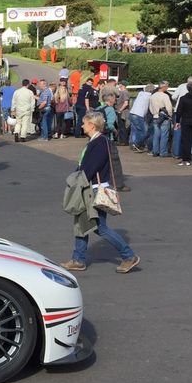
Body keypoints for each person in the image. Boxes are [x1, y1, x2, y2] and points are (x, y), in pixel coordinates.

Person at [61, 111, 140, 274]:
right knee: (82, 224)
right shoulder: (97, 141)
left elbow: (90, 167)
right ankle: (78, 259)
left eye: (84, 123)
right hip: (92, 188)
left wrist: (76, 178)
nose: (81, 125)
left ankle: (128, 255)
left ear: (92, 125)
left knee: (99, 227)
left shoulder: (99, 143)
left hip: (94, 189)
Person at [149, 81, 174, 157]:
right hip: (164, 118)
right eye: (167, 87)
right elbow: (169, 107)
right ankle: (163, 152)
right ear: (164, 87)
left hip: (155, 116)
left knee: (156, 135)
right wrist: (170, 115)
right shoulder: (165, 96)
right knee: (164, 135)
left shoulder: (152, 96)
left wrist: (154, 113)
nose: (167, 88)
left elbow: (150, 107)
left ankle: (155, 151)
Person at [129, 84, 154, 152]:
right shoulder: (150, 96)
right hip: (139, 115)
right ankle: (137, 144)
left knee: (135, 130)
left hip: (132, 113)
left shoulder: (140, 93)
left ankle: (133, 144)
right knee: (143, 132)